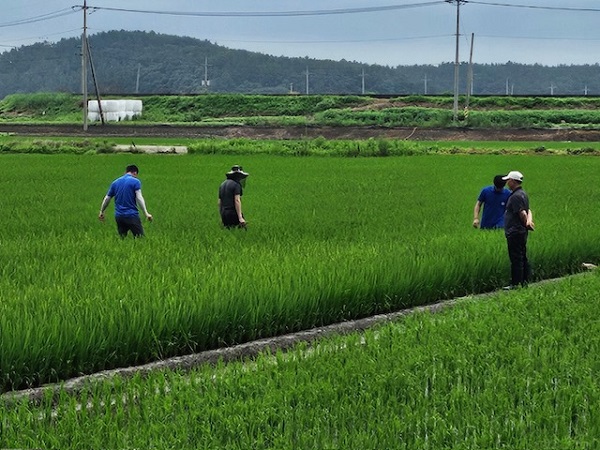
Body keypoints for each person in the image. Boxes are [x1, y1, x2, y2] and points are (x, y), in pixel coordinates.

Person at [98, 164, 153, 237]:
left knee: (122, 239)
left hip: (119, 216)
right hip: (131, 215)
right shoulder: (135, 181)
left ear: (126, 172)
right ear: (135, 173)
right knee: (140, 239)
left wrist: (102, 211)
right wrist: (146, 213)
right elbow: (139, 197)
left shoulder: (115, 182)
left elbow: (107, 198)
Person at [502, 170, 534, 289]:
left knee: (516, 258)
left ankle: (516, 284)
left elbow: (522, 212)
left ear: (513, 181)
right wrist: (528, 223)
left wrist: (526, 222)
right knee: (522, 256)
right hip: (520, 231)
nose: (506, 183)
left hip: (515, 231)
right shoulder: (523, 194)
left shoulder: (515, 196)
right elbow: (528, 210)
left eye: (508, 180)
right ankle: (525, 281)